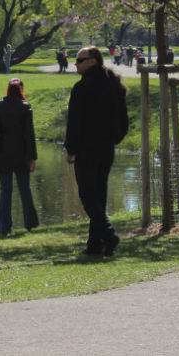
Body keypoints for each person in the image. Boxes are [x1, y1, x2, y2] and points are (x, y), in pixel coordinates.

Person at [65, 46, 129, 257]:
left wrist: (71, 149)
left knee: (87, 195)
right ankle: (95, 243)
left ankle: (109, 234)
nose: (76, 63)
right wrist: (113, 139)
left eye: (79, 59)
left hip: (86, 148)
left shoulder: (82, 88)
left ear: (92, 61)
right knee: (99, 195)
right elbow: (123, 122)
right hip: (106, 148)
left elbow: (74, 122)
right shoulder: (114, 85)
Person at [0, 77, 39, 236]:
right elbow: (30, 134)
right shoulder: (25, 107)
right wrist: (32, 157)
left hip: (3, 153)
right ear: (21, 89)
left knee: (5, 190)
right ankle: (30, 223)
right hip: (21, 154)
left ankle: (4, 227)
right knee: (25, 189)